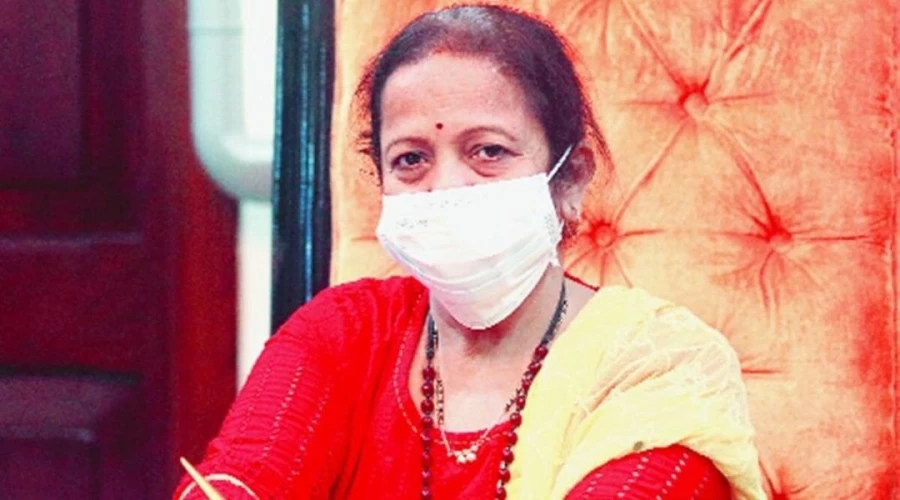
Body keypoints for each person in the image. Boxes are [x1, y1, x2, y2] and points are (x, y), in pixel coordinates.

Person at [174, 5, 766, 499]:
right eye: (411, 159)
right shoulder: (345, 333)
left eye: (488, 151)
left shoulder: (659, 365)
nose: (446, 188)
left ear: (570, 179)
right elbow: (238, 480)